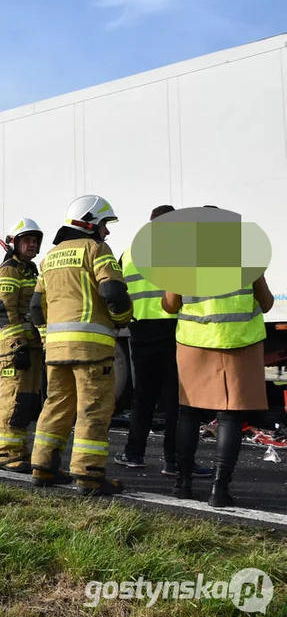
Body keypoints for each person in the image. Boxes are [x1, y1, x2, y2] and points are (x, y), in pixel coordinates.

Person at [29, 195, 133, 496]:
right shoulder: (95, 249)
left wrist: (48, 337)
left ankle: (43, 467)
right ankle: (88, 476)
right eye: (104, 225)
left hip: (57, 351)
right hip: (92, 350)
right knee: (94, 410)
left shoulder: (49, 258)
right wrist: (122, 318)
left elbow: (36, 307)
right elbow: (113, 292)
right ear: (90, 223)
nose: (107, 232)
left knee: (56, 406)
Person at [115, 205, 212, 479]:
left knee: (143, 397)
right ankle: (174, 460)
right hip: (173, 330)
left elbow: (121, 290)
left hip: (140, 331)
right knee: (175, 400)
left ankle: (134, 454)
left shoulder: (129, 253)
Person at [163, 269, 275, 507]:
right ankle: (219, 489)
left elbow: (170, 305)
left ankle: (183, 484)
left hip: (194, 342)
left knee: (189, 412)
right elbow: (266, 304)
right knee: (230, 415)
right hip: (240, 341)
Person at [0, 218, 45, 473]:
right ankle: (6, 454)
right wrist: (17, 345)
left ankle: (20, 452)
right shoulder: (9, 270)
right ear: (14, 243)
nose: (32, 245)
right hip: (15, 348)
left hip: (31, 346)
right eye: (27, 241)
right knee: (12, 400)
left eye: (35, 241)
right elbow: (5, 311)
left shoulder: (31, 270)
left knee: (27, 401)